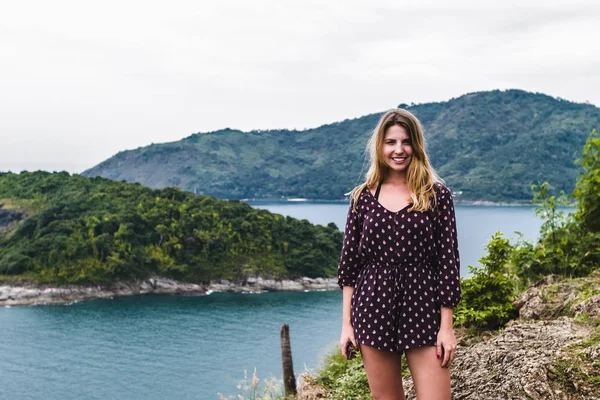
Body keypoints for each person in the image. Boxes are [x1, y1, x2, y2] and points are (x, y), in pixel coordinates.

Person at [338, 108, 462, 399]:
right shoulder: (363, 197)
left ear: (416, 146)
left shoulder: (436, 195)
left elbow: (447, 262)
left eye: (405, 142)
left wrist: (447, 328)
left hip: (424, 307)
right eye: (391, 142)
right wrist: (346, 325)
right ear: (380, 146)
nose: (399, 150)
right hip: (372, 306)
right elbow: (349, 267)